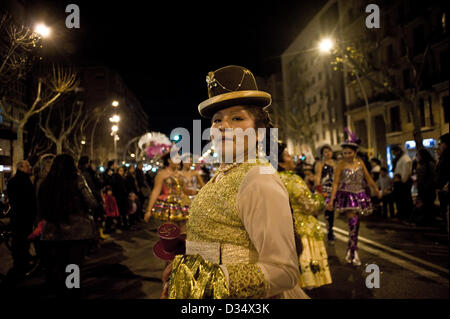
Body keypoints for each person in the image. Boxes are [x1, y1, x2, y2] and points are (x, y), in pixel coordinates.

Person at [162, 65, 304, 299]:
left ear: (258, 132)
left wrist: (209, 280)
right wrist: (187, 257)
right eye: (217, 120)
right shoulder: (221, 176)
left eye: (237, 118)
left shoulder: (259, 179)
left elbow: (284, 271)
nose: (223, 126)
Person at [37, 154, 99, 296]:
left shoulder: (46, 183)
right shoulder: (77, 180)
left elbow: (40, 207)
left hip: (52, 232)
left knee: (57, 266)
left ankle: (59, 292)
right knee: (73, 266)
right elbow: (92, 202)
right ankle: (72, 292)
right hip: (77, 232)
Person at [278, 143, 332, 289]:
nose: (292, 158)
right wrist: (320, 198)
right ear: (281, 163)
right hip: (302, 230)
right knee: (306, 273)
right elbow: (310, 206)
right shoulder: (293, 180)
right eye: (288, 156)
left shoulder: (272, 179)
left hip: (282, 230)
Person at [327, 132, 381, 266]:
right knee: (353, 222)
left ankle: (351, 248)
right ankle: (353, 251)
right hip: (347, 196)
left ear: (355, 152)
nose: (347, 155)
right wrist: (332, 200)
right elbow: (335, 183)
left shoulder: (360, 163)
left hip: (360, 195)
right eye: (344, 153)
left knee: (356, 224)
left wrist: (376, 189)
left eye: (349, 153)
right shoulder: (340, 164)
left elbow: (368, 178)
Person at [6, 160, 37, 278]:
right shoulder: (24, 181)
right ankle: (21, 267)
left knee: (19, 242)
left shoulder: (14, 181)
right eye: (27, 165)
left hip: (18, 217)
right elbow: (28, 201)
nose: (30, 167)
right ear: (21, 168)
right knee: (22, 242)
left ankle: (20, 265)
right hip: (24, 217)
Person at [144, 152, 190, 228]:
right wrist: (148, 210)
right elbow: (155, 192)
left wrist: (197, 192)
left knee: (183, 233)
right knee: (170, 231)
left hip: (182, 205)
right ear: (169, 160)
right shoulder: (162, 174)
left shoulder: (181, 174)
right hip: (168, 206)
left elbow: (184, 190)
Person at [79, 156, 107, 239]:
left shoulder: (89, 174)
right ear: (87, 164)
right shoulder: (87, 175)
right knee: (95, 219)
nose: (93, 165)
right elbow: (92, 188)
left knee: (96, 219)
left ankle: (96, 236)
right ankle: (95, 238)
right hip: (92, 200)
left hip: (92, 199)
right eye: (91, 163)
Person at [314, 145, 336, 243]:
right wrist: (318, 190)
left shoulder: (336, 163)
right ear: (322, 154)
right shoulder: (320, 164)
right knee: (325, 211)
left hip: (334, 190)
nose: (328, 153)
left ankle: (330, 230)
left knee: (331, 212)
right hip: (324, 190)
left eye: (329, 151)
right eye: (326, 152)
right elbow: (318, 177)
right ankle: (327, 232)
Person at [414, 149, 437, 225]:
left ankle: (429, 220)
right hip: (422, 187)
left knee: (428, 204)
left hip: (428, 188)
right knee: (424, 204)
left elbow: (433, 176)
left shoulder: (429, 164)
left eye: (419, 155)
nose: (418, 157)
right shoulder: (420, 164)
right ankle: (425, 220)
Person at [391, 145, 414, 220]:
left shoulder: (405, 159)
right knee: (401, 200)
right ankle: (402, 215)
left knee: (404, 200)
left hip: (403, 183)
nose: (394, 154)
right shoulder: (401, 158)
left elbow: (406, 172)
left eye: (394, 152)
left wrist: (402, 180)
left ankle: (406, 215)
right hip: (400, 182)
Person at [435, 133, 449, 233]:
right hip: (443, 190)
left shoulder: (447, 157)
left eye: (440, 143)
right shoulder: (443, 157)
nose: (439, 146)